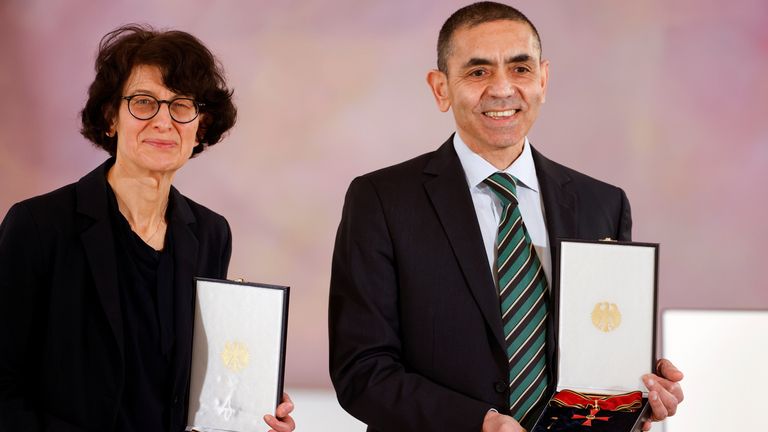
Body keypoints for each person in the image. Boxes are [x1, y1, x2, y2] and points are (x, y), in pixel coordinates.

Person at [328, 3, 683, 432]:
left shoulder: (602, 204)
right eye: (478, 72)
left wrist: (637, 394)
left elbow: (599, 344)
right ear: (440, 88)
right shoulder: (382, 201)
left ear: (543, 80)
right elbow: (361, 370)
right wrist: (481, 423)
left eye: (520, 69)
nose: (502, 89)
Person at [0, 25, 295, 432]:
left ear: (201, 128)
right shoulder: (37, 226)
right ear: (110, 118)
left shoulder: (211, 233)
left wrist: (247, 405)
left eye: (180, 106)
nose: (163, 121)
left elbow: (194, 380)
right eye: (143, 103)